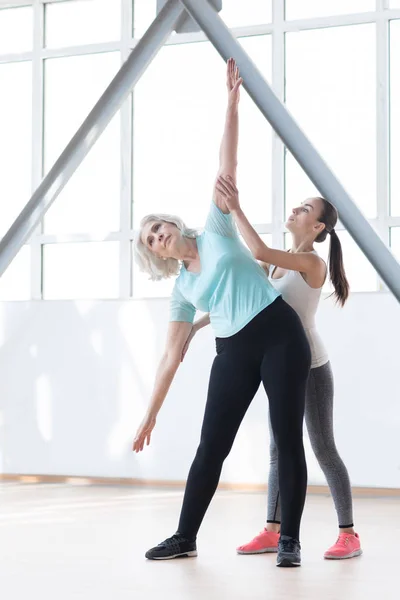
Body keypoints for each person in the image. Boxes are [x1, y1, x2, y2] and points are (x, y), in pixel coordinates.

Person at [132, 59, 311, 567]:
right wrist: (150, 415)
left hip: (279, 334)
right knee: (211, 446)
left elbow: (225, 166)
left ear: (172, 223)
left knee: (286, 439)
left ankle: (290, 541)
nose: (158, 236)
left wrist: (231, 105)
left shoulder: (215, 227)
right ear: (158, 256)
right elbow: (170, 358)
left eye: (157, 227)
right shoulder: (183, 291)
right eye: (151, 241)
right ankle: (184, 536)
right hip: (232, 352)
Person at [195, 173, 361, 560]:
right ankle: (273, 529)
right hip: (280, 362)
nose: (295, 209)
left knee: (323, 449)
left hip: (312, 366)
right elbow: (243, 303)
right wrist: (194, 326)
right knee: (278, 448)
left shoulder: (310, 262)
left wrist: (234, 207)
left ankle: (349, 534)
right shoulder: (275, 270)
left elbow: (257, 249)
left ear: (318, 226)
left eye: (305, 209)